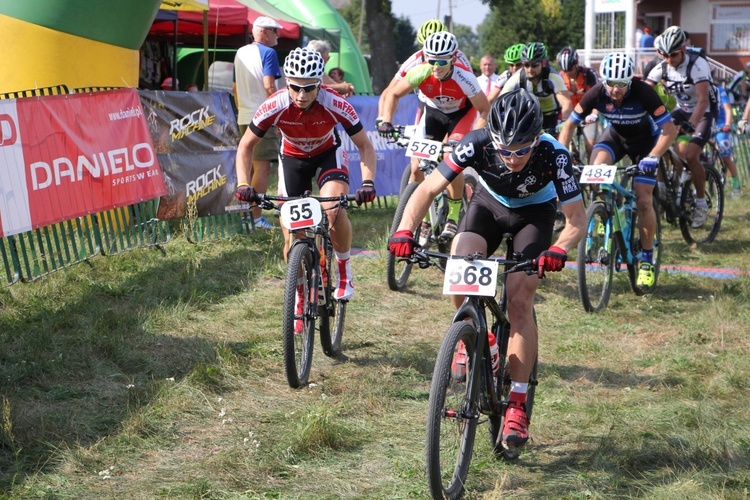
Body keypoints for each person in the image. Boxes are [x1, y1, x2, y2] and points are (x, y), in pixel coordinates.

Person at [388, 88, 586, 451]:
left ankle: (518, 403)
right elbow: (427, 188)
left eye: (522, 150)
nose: (512, 158)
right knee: (460, 261)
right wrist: (404, 228)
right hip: (488, 206)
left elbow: (577, 219)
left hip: (534, 216)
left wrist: (559, 248)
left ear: (536, 139)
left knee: (519, 300)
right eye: (505, 150)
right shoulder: (476, 142)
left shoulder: (554, 154)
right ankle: (481, 342)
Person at [235, 48, 377, 307]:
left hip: (327, 154)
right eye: (295, 87)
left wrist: (368, 182)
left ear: (319, 85)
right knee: (292, 237)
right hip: (292, 159)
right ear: (286, 82)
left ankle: (344, 269)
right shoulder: (275, 104)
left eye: (309, 88)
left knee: (333, 209)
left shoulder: (334, 102)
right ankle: (299, 294)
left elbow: (365, 146)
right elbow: (246, 145)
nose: (301, 95)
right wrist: (244, 183)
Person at [558, 52, 678, 292]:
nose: (615, 89)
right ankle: (602, 216)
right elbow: (570, 124)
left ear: (629, 82)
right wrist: (561, 156)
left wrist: (654, 157)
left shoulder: (644, 92)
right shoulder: (597, 93)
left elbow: (670, 130)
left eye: (621, 84)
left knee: (643, 199)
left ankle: (646, 259)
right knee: (594, 173)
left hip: (646, 144)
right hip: (615, 138)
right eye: (611, 83)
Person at [377, 31, 490, 242]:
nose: (436, 66)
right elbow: (393, 93)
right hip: (434, 114)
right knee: (420, 163)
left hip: (460, 115)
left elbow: (484, 109)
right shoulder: (421, 71)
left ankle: (454, 215)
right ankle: (426, 220)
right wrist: (386, 121)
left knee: (451, 159)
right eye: (431, 59)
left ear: (453, 59)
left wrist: (475, 136)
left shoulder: (465, 77)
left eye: (441, 61)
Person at [645, 26, 718, 228]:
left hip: (704, 112)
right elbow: (643, 91)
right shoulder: (662, 66)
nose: (669, 59)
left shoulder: (697, 64)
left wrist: (691, 124)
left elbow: (703, 101)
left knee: (691, 155)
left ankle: (701, 203)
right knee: (658, 147)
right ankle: (662, 191)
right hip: (681, 109)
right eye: (664, 55)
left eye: (674, 54)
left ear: (683, 49)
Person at [234, 16, 284, 230]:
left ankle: (249, 217)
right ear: (263, 32)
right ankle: (255, 218)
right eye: (274, 31)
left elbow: (235, 88)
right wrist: (279, 115)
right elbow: (269, 87)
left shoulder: (240, 52)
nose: (278, 35)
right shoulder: (268, 53)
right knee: (262, 170)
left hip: (244, 115)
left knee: (250, 171)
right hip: (262, 117)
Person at [501, 42, 572, 137]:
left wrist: (564, 121)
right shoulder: (518, 77)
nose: (530, 69)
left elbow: (566, 103)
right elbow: (501, 100)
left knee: (559, 143)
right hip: (529, 116)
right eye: (526, 65)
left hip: (552, 117)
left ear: (543, 63)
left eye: (534, 65)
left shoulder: (553, 77)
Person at [556, 46, 599, 161]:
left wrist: (594, 114)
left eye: (570, 69)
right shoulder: (558, 77)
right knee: (560, 146)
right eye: (565, 71)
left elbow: (598, 97)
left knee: (590, 146)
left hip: (587, 114)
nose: (568, 73)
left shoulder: (588, 74)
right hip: (569, 115)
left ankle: (591, 173)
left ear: (576, 64)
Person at [713, 76, 742, 197]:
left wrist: (727, 124)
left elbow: (728, 109)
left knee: (725, 156)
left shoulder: (720, 90)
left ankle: (736, 186)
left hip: (721, 125)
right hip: (707, 125)